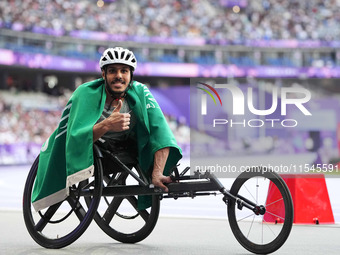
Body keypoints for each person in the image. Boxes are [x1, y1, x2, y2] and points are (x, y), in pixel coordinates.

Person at [31, 47, 182, 211]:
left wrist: (157, 173)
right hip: (91, 149)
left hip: (126, 147)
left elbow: (161, 133)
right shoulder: (85, 93)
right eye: (112, 71)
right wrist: (107, 124)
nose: (118, 75)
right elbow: (75, 138)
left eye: (124, 71)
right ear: (103, 75)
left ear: (131, 75)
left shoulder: (141, 92)